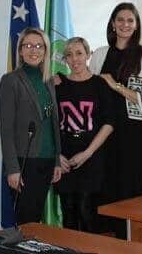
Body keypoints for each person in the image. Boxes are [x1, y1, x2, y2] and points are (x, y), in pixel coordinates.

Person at [89, 2, 142, 238]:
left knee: (134, 193)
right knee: (108, 191)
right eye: (120, 19)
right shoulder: (100, 54)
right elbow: (90, 90)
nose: (125, 24)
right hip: (105, 133)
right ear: (112, 23)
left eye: (130, 20)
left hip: (133, 134)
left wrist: (116, 86)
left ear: (137, 25)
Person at [0, 27, 62, 224]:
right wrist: (13, 169)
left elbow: (52, 124)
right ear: (20, 50)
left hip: (47, 161)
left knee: (36, 219)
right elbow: (6, 130)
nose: (34, 50)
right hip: (25, 162)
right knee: (26, 221)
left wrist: (57, 160)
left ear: (45, 51)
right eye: (28, 46)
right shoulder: (10, 81)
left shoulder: (48, 81)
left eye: (39, 46)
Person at [55, 37, 114, 233]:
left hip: (92, 157)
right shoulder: (57, 85)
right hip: (65, 159)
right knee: (69, 212)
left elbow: (109, 124)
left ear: (88, 55)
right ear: (65, 59)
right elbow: (49, 124)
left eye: (79, 53)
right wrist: (57, 155)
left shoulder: (100, 84)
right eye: (69, 55)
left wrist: (88, 153)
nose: (75, 59)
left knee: (86, 211)